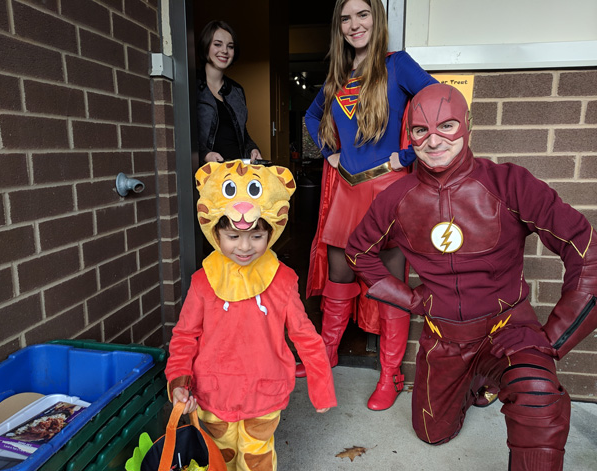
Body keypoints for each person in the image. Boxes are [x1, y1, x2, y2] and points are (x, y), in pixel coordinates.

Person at [345, 83, 597, 470]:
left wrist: (552, 340)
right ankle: (477, 383)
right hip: (446, 339)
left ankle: (508, 376)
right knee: (432, 434)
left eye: (447, 126)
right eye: (421, 130)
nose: (434, 140)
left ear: (467, 126)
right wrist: (413, 300)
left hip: (507, 328)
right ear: (410, 135)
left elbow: (587, 248)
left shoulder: (509, 183)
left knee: (537, 392)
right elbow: (358, 252)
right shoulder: (394, 197)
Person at [298, 0, 437, 412]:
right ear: (338, 26)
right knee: (340, 273)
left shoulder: (398, 64)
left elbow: (440, 105)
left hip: (389, 190)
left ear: (377, 19)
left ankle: (391, 372)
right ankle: (328, 352)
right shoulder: (338, 75)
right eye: (345, 17)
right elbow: (311, 118)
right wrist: (329, 154)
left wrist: (408, 154)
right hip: (347, 190)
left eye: (363, 14)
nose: (354, 24)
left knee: (390, 282)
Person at [166, 160, 336, 471]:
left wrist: (321, 385)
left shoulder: (282, 280)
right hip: (212, 395)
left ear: (271, 232)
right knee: (219, 458)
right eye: (233, 236)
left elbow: (304, 335)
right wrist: (179, 380)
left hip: (264, 395)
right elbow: (185, 336)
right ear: (215, 233)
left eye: (256, 237)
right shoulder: (203, 281)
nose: (244, 247)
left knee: (257, 459)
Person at [197, 20, 262, 164]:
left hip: (237, 171)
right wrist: (205, 154)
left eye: (230, 46)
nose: (224, 51)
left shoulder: (237, 91)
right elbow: (183, 135)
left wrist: (253, 149)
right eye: (217, 44)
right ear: (205, 45)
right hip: (208, 173)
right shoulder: (192, 86)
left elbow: (242, 133)